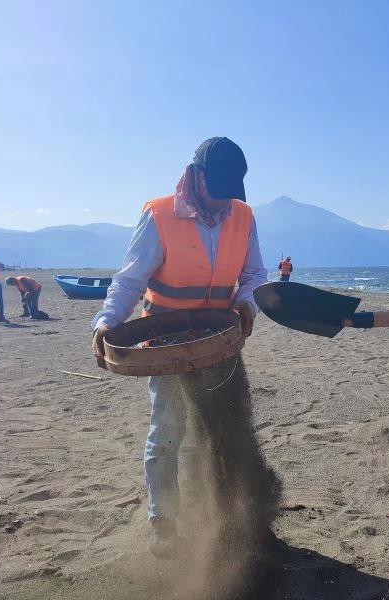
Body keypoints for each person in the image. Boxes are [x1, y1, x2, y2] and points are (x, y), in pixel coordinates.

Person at [91, 137, 277, 556]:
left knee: (213, 433)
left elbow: (253, 275)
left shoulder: (242, 216)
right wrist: (106, 323)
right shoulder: (159, 215)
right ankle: (164, 522)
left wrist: (247, 304)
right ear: (197, 176)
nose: (225, 200)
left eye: (233, 191)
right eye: (219, 188)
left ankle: (212, 514)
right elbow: (129, 281)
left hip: (219, 343)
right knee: (168, 433)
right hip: (166, 344)